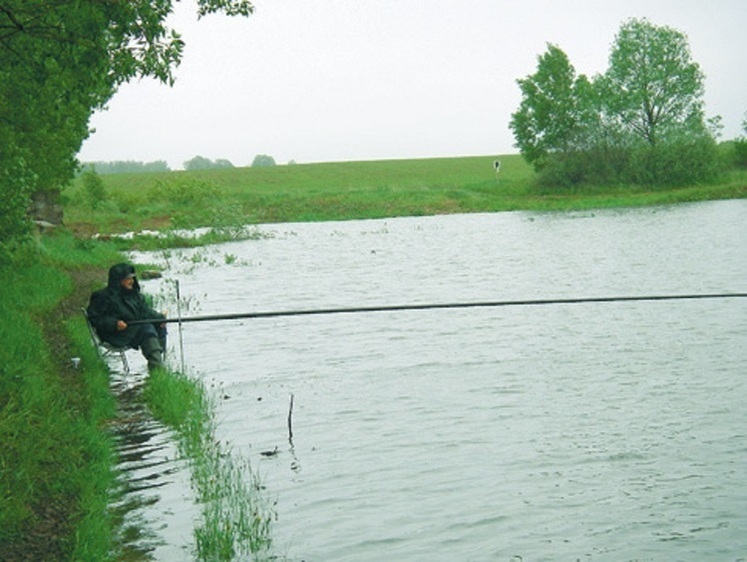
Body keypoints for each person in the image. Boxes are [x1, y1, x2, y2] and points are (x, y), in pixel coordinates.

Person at [87, 262, 167, 371]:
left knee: (158, 325)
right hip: (114, 335)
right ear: (119, 280)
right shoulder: (102, 296)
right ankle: (157, 368)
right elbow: (95, 318)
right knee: (146, 328)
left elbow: (145, 312)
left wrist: (160, 318)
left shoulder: (135, 295)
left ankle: (159, 365)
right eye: (128, 278)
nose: (132, 281)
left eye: (133, 278)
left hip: (132, 331)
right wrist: (114, 324)